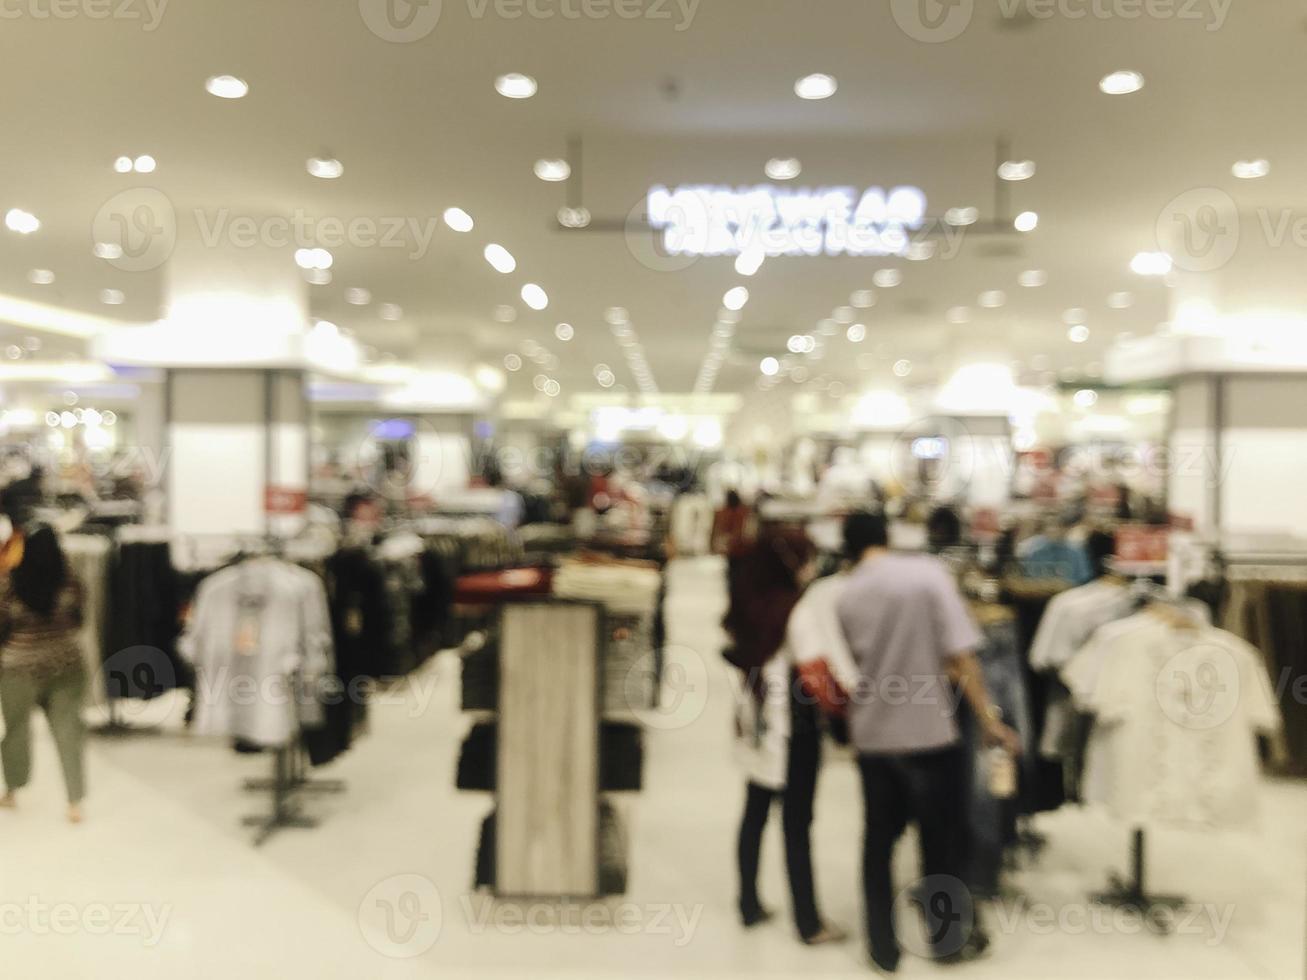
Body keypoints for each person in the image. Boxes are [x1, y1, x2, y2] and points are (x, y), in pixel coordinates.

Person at [836, 511, 1021, 973]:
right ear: (887, 536)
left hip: (874, 734)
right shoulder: (927, 576)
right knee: (940, 841)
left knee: (878, 844)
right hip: (928, 732)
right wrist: (989, 720)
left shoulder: (847, 594)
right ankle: (946, 941)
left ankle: (882, 948)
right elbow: (960, 657)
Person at [724, 526, 845, 946]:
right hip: (795, 727)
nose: (812, 567)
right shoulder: (797, 610)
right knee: (797, 822)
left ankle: (748, 902)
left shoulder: (747, 604)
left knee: (755, 812)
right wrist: (845, 707)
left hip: (755, 719)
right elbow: (816, 675)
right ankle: (808, 922)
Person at [0, 525, 88, 822]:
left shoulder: (10, 582)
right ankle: (74, 801)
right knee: (69, 732)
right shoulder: (70, 581)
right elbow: (79, 619)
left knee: (16, 730)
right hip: (66, 664)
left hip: (18, 668)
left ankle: (12, 790)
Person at [711, 490, 753, 599]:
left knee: (734, 574)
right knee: (738, 574)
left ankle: (735, 594)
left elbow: (719, 529)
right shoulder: (743, 511)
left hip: (734, 549)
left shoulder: (725, 512)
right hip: (740, 549)